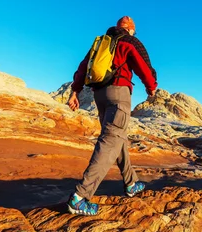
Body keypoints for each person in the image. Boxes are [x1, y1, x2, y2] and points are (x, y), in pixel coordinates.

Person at [67, 16, 158, 215]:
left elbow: (83, 67)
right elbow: (144, 65)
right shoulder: (129, 41)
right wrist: (151, 87)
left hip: (99, 95)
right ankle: (80, 197)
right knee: (110, 140)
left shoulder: (102, 43)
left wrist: (75, 91)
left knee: (118, 138)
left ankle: (131, 182)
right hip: (118, 93)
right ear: (131, 30)